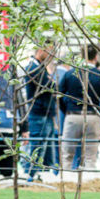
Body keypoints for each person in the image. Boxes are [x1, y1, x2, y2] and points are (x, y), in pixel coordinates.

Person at [57, 44, 100, 177]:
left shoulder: (71, 74)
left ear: (81, 55)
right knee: (91, 155)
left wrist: (66, 109)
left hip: (73, 115)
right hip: (93, 116)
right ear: (96, 57)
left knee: (67, 154)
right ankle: (90, 180)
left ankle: (66, 179)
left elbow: (59, 95)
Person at [22, 43, 62, 179]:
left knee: (47, 148)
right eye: (49, 51)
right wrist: (52, 82)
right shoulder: (33, 67)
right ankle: (32, 176)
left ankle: (45, 175)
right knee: (38, 147)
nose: (52, 55)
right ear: (41, 50)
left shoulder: (40, 67)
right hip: (39, 114)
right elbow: (48, 85)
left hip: (46, 114)